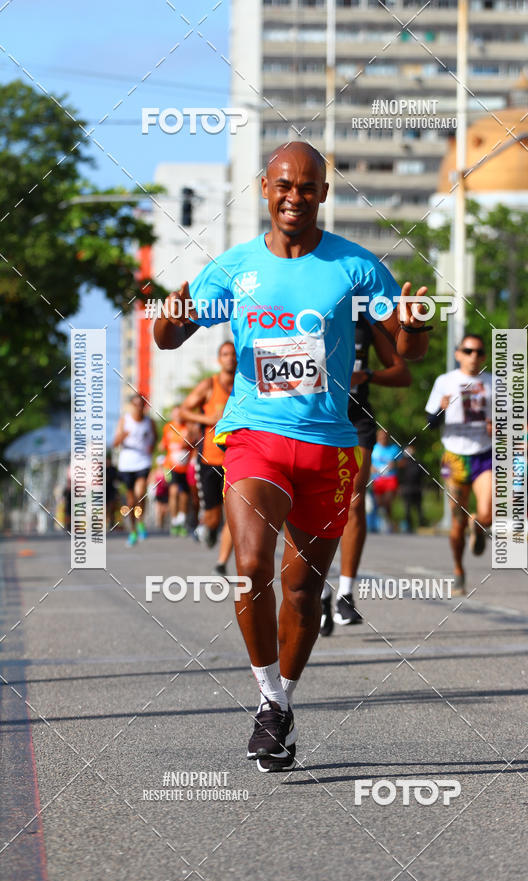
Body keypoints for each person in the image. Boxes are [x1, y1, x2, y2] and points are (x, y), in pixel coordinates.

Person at [154, 141, 429, 772]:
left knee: (303, 590)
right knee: (252, 564)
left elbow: (404, 354)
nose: (294, 196)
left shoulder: (357, 269)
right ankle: (268, 701)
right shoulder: (234, 267)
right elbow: (170, 336)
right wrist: (169, 313)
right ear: (264, 188)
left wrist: (414, 327)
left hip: (330, 446)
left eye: (307, 187)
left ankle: (286, 704)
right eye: (283, 184)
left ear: (323, 193)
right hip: (254, 436)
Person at [319, 315, 411, 635]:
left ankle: (345, 592)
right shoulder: (304, 314)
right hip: (311, 420)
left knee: (354, 500)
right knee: (310, 504)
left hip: (357, 419)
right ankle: (319, 588)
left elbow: (402, 373)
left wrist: (367, 374)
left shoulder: (365, 324)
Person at [425, 334, 493, 596]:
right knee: (456, 522)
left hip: (484, 454)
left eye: (478, 352)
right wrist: (440, 410)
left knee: (487, 513)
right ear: (458, 354)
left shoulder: (494, 383)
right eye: (468, 351)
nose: (473, 356)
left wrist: (496, 426)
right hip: (453, 457)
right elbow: (430, 423)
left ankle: (478, 524)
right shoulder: (445, 382)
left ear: (484, 356)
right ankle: (458, 570)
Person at [181, 340, 237, 574]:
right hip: (209, 460)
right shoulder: (209, 385)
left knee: (235, 515)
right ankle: (210, 529)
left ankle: (221, 563)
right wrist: (208, 419)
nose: (230, 358)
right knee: (214, 518)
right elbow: (183, 410)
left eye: (233, 354)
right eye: (225, 354)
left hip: (237, 459)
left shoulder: (245, 384)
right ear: (219, 359)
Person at [113, 393, 157, 546]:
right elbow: (115, 443)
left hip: (143, 462)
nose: (139, 407)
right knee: (131, 501)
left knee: (140, 494)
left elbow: (155, 437)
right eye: (136, 404)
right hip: (127, 464)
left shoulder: (149, 422)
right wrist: (123, 436)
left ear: (145, 406)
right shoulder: (125, 420)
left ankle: (140, 522)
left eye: (142, 404)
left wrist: (151, 447)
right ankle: (132, 531)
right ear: (132, 405)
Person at [161, 406, 194, 535]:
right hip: (171, 465)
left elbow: (193, 442)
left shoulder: (188, 427)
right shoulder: (168, 427)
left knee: (185, 495)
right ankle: (174, 521)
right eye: (175, 414)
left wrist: (186, 441)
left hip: (185, 467)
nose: (178, 416)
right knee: (173, 491)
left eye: (180, 414)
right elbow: (164, 444)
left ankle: (182, 520)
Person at [371, 428, 402, 532]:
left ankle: (389, 521)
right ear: (378, 437)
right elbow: (367, 463)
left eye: (385, 437)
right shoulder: (373, 449)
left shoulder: (394, 449)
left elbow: (402, 462)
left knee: (388, 501)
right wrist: (373, 468)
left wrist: (395, 464)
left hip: (390, 478)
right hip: (378, 479)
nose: (383, 439)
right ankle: (382, 522)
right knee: (379, 502)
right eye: (381, 437)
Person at [399, 442, 425, 533]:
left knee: (419, 508)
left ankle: (421, 524)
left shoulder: (418, 462)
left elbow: (422, 475)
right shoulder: (402, 463)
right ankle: (408, 525)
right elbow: (400, 476)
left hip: (417, 488)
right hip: (406, 489)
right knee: (407, 509)